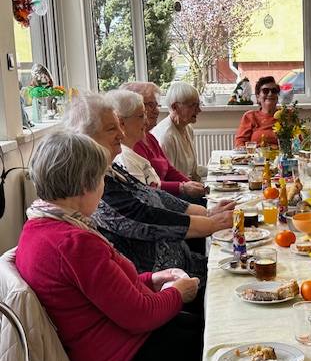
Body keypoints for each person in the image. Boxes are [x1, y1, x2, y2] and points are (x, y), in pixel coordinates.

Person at [15, 130, 202, 361]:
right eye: (101, 178)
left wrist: (152, 279)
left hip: (105, 338)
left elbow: (105, 288)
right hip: (112, 353)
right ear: (85, 184)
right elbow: (139, 316)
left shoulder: (40, 225)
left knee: (200, 323)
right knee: (208, 349)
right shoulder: (74, 242)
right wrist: (177, 293)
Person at [63, 92, 233, 284]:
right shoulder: (93, 185)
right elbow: (142, 217)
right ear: (86, 138)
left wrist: (208, 214)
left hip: (183, 265)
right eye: (112, 128)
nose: (121, 133)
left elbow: (153, 194)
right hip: (162, 281)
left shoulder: (111, 170)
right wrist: (211, 224)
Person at [121, 81, 206, 199]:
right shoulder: (131, 146)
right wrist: (183, 187)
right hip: (164, 199)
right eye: (150, 105)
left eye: (156, 105)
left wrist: (191, 185)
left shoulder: (149, 137)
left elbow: (170, 170)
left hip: (169, 197)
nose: (156, 111)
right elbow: (147, 187)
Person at [152, 81, 207, 182]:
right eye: (193, 105)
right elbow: (167, 178)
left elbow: (191, 171)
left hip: (190, 185)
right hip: (179, 190)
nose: (199, 110)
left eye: (198, 105)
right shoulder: (167, 137)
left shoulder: (187, 128)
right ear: (175, 107)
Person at [107, 89, 162, 188]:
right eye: (141, 116)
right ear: (122, 122)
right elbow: (143, 196)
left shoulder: (130, 154)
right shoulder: (124, 159)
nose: (146, 122)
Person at [234, 76, 280, 148]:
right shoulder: (250, 116)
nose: (270, 94)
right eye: (265, 91)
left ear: (277, 97)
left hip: (281, 155)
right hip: (256, 154)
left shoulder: (286, 116)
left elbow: (297, 141)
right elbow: (240, 143)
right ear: (258, 97)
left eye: (274, 91)